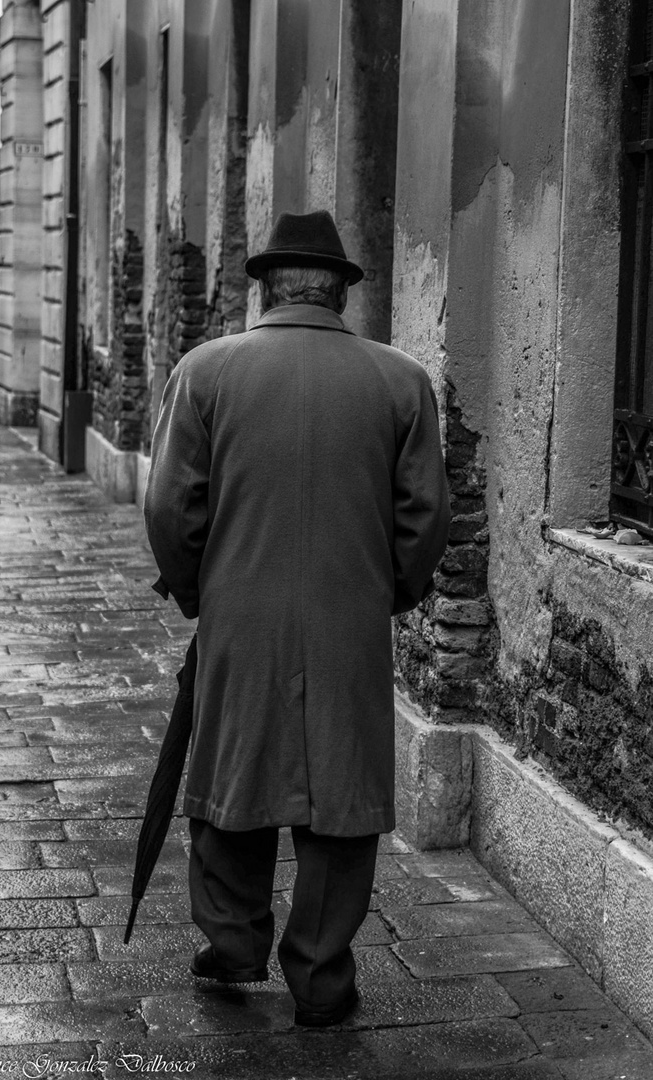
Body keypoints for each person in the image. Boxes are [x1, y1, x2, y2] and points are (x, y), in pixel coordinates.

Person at [144, 210, 450, 1027]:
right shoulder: (400, 381)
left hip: (238, 613)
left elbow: (171, 508)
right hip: (351, 617)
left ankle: (236, 945)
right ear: (341, 292)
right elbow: (425, 519)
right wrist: (389, 592)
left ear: (266, 287)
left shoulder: (205, 370)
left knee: (228, 778)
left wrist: (194, 589)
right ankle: (320, 975)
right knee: (342, 796)